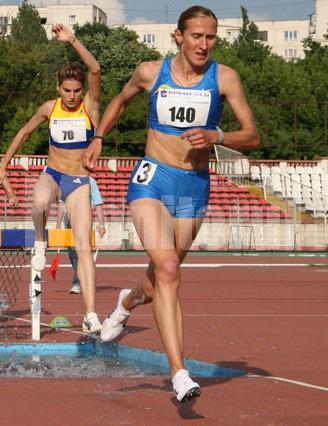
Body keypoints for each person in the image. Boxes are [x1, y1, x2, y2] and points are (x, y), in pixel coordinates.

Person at [83, 6, 260, 401]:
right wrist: (98, 138)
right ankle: (179, 373)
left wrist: (217, 135)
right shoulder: (151, 72)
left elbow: (252, 136)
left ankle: (125, 304)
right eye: (196, 36)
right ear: (178, 36)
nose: (204, 44)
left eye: (211, 37)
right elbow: (121, 100)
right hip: (152, 178)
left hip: (194, 186)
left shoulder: (225, 78)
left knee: (161, 277)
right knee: (166, 268)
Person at [0, 24, 102, 334]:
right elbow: (24, 131)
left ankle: (90, 314)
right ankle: (41, 240)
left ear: (82, 90)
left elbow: (95, 69)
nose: (71, 96)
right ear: (58, 88)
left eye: (76, 90)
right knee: (40, 199)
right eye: (66, 90)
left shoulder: (89, 107)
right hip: (53, 173)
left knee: (83, 247)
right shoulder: (49, 108)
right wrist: (4, 164)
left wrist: (72, 40)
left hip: (79, 182)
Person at [56, 176, 106, 294]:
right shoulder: (65, 180)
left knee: (82, 252)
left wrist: (102, 225)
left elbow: (97, 204)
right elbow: (62, 204)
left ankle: (78, 283)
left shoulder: (90, 181)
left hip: (84, 220)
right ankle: (82, 280)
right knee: (72, 254)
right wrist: (58, 224)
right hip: (69, 222)